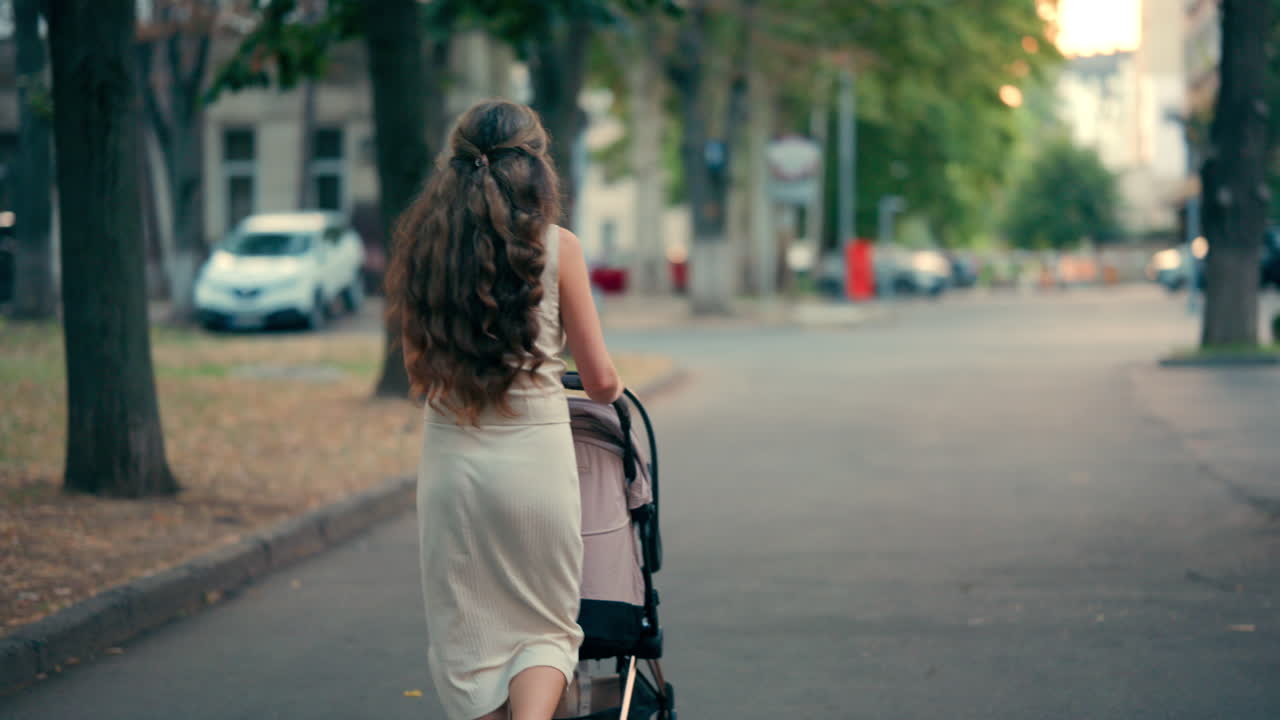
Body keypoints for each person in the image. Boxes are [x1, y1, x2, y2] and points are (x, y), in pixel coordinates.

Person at [384, 99, 624, 720]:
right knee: (545, 628)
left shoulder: (422, 250)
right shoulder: (559, 247)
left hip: (453, 466)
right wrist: (608, 386)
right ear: (535, 165)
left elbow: (417, 374)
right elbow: (599, 381)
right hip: (537, 465)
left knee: (470, 639)